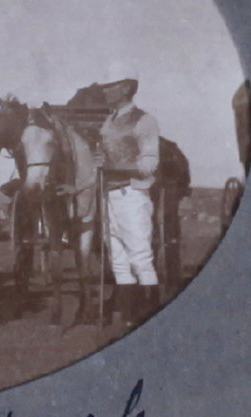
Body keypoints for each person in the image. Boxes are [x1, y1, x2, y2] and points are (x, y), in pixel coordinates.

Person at [98, 76, 160, 328]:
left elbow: (149, 164)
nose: (104, 90)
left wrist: (110, 165)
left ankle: (151, 319)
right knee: (119, 261)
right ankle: (129, 320)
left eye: (109, 85)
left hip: (132, 195)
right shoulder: (108, 121)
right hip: (108, 196)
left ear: (125, 88)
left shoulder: (144, 120)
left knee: (140, 258)